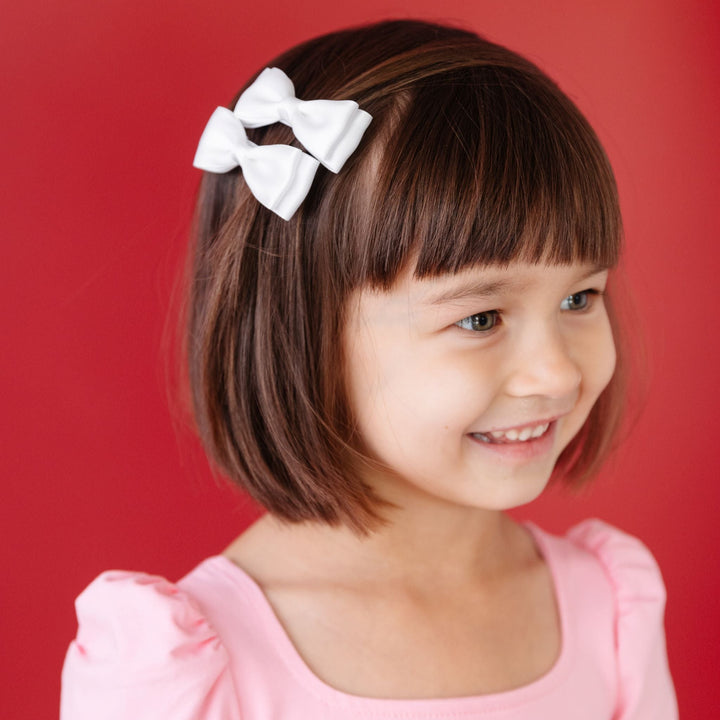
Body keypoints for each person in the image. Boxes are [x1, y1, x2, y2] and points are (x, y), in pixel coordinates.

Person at [60, 19, 678, 719]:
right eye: (480, 318)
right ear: (303, 332)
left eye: (579, 298)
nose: (556, 373)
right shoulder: (184, 672)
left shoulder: (606, 607)